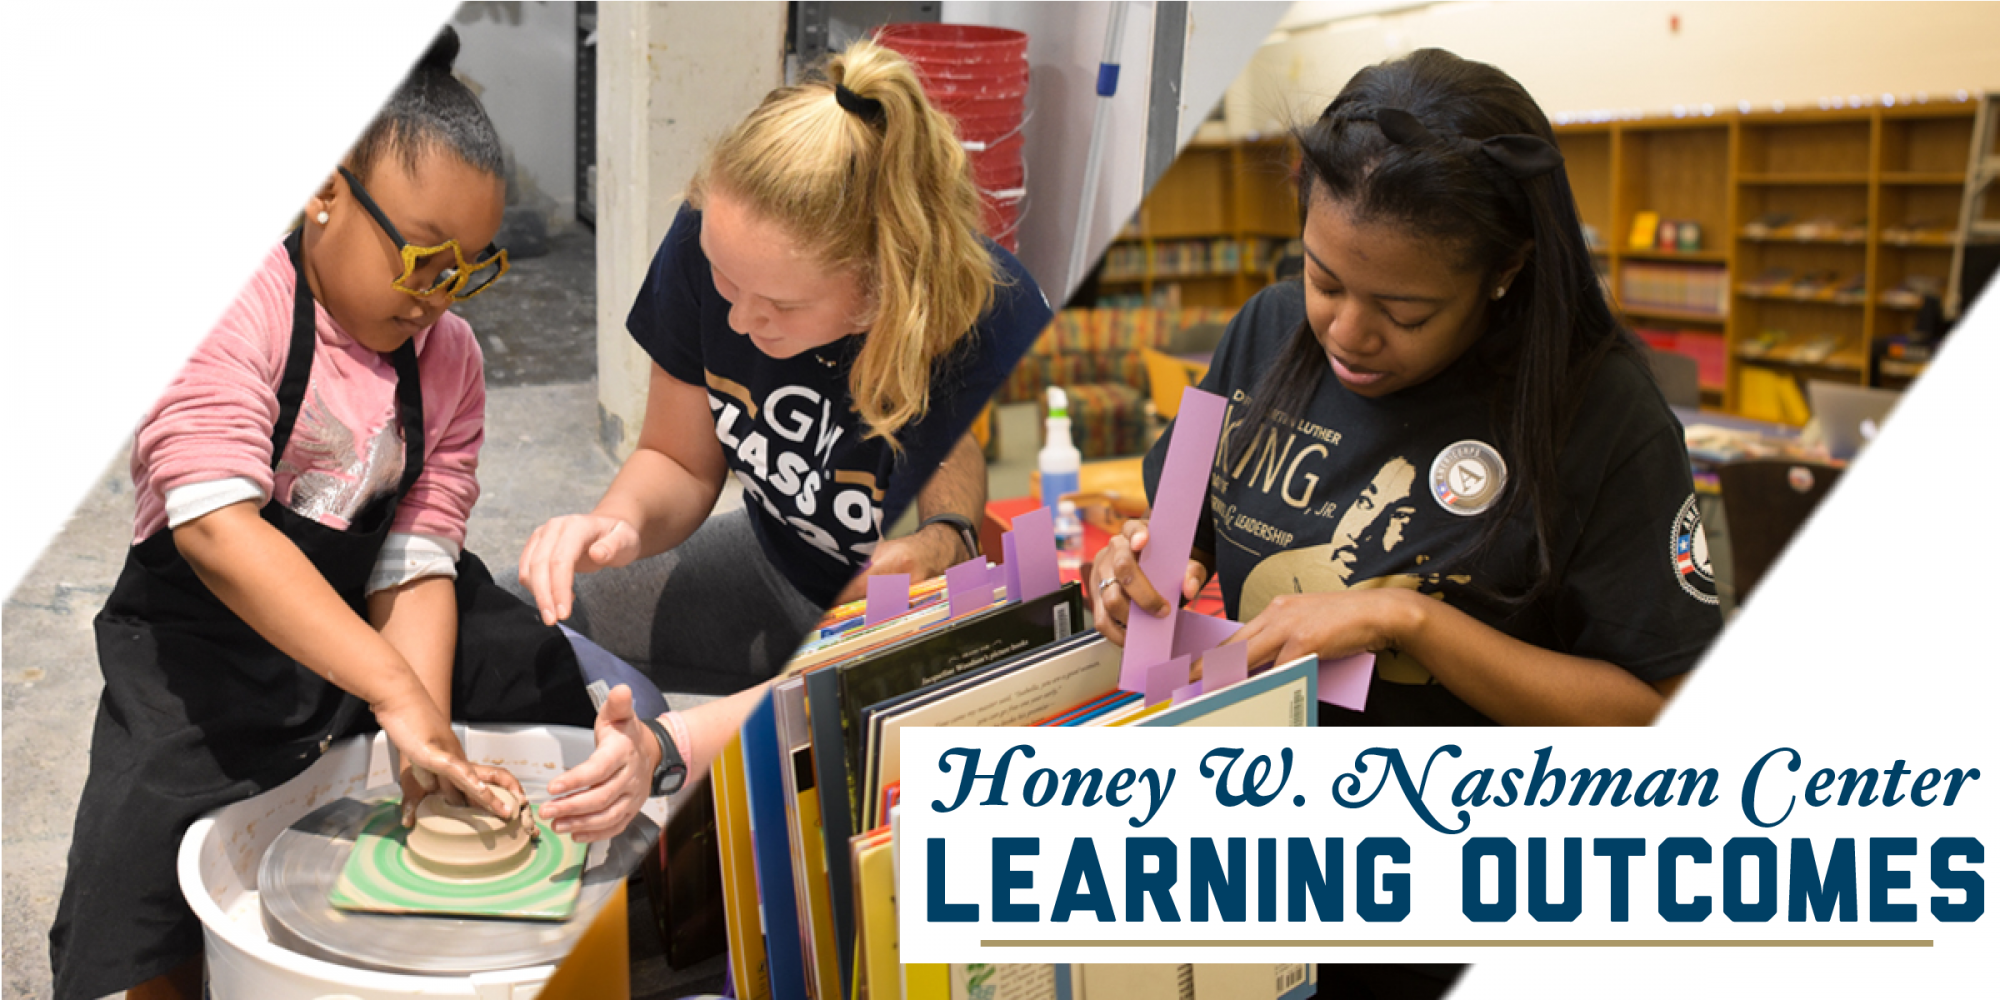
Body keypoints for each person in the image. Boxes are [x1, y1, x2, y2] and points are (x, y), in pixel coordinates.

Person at [1087, 49, 1724, 999]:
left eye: (1404, 310)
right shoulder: (1262, 329)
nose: (1345, 331)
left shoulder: (1603, 417)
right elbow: (1175, 529)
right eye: (1324, 277)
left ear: (1503, 271)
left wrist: (1408, 619)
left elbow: (1660, 717)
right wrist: (1130, 567)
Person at [46, 30, 657, 1000]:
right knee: (132, 888)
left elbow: (415, 560)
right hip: (210, 639)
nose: (439, 293)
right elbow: (215, 530)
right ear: (324, 189)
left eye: (470, 269)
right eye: (423, 257)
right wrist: (399, 694)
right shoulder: (229, 303)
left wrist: (425, 742)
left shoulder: (449, 359)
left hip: (366, 613)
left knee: (540, 670)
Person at [516, 40, 1050, 716]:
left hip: (906, 627)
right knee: (501, 621)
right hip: (777, 568)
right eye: (723, 280)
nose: (737, 320)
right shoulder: (710, 236)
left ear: (881, 286)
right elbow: (676, 459)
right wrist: (617, 525)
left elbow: (1001, 547)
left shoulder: (996, 318)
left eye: (779, 305)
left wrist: (941, 543)